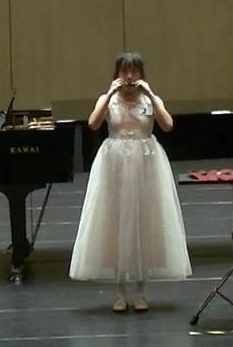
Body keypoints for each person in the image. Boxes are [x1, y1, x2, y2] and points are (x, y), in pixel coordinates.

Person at [68, 50, 192, 312]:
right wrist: (108, 95)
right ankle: (120, 292)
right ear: (117, 74)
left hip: (146, 165)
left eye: (134, 71)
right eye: (124, 71)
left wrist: (152, 96)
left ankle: (141, 291)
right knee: (116, 223)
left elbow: (168, 125)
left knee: (144, 223)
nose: (129, 76)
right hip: (114, 165)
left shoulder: (150, 99)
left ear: (141, 74)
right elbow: (93, 124)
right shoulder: (108, 99)